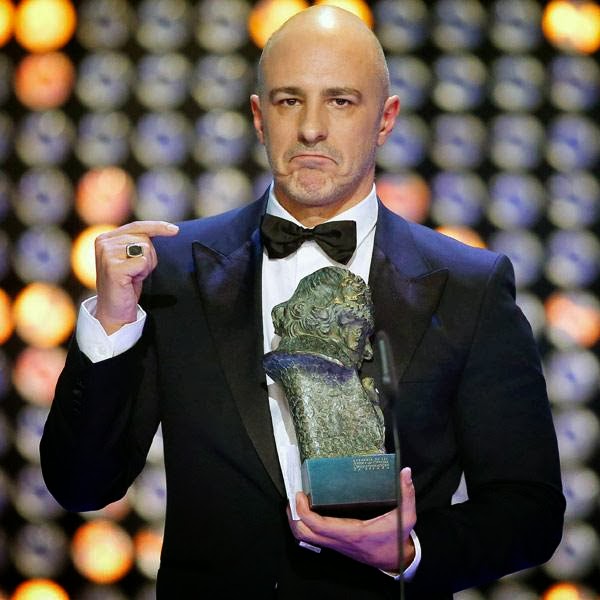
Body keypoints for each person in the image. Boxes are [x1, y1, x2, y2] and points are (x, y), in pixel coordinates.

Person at [40, 6, 565, 599]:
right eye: (290, 101)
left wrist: (412, 552)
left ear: (385, 119)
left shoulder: (469, 285)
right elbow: (82, 487)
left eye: (340, 101)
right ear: (260, 118)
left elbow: (529, 510)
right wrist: (111, 323)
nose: (312, 128)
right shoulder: (173, 270)